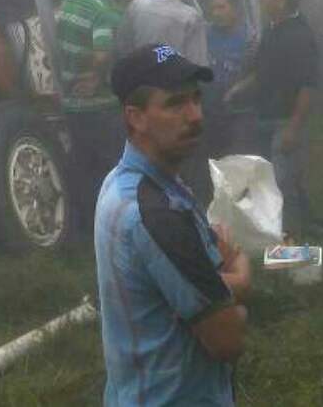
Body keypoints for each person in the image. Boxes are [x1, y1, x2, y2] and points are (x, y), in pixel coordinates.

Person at [95, 44, 251, 406]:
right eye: (175, 104)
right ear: (135, 117)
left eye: (196, 99)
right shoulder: (157, 215)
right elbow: (227, 340)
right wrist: (241, 276)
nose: (195, 115)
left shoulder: (123, 183)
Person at [226, 0, 318, 233]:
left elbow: (308, 85)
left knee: (281, 184)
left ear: (281, 0)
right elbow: (263, 71)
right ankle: (307, 226)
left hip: (286, 119)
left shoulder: (299, 36)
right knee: (287, 178)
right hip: (266, 114)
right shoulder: (273, 28)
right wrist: (237, 89)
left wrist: (293, 127)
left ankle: (291, 250)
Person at [55, 0, 125, 236]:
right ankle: (117, 230)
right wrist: (97, 74)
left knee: (83, 169)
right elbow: (102, 52)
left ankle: (85, 230)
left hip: (72, 103)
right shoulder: (101, 10)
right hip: (100, 105)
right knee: (114, 169)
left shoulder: (68, 2)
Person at [205, 0, 258, 157]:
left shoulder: (250, 38)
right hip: (209, 109)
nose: (216, 13)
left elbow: (258, 72)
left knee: (236, 159)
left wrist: (236, 90)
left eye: (222, 7)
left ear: (235, 9)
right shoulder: (205, 33)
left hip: (239, 111)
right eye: (213, 8)